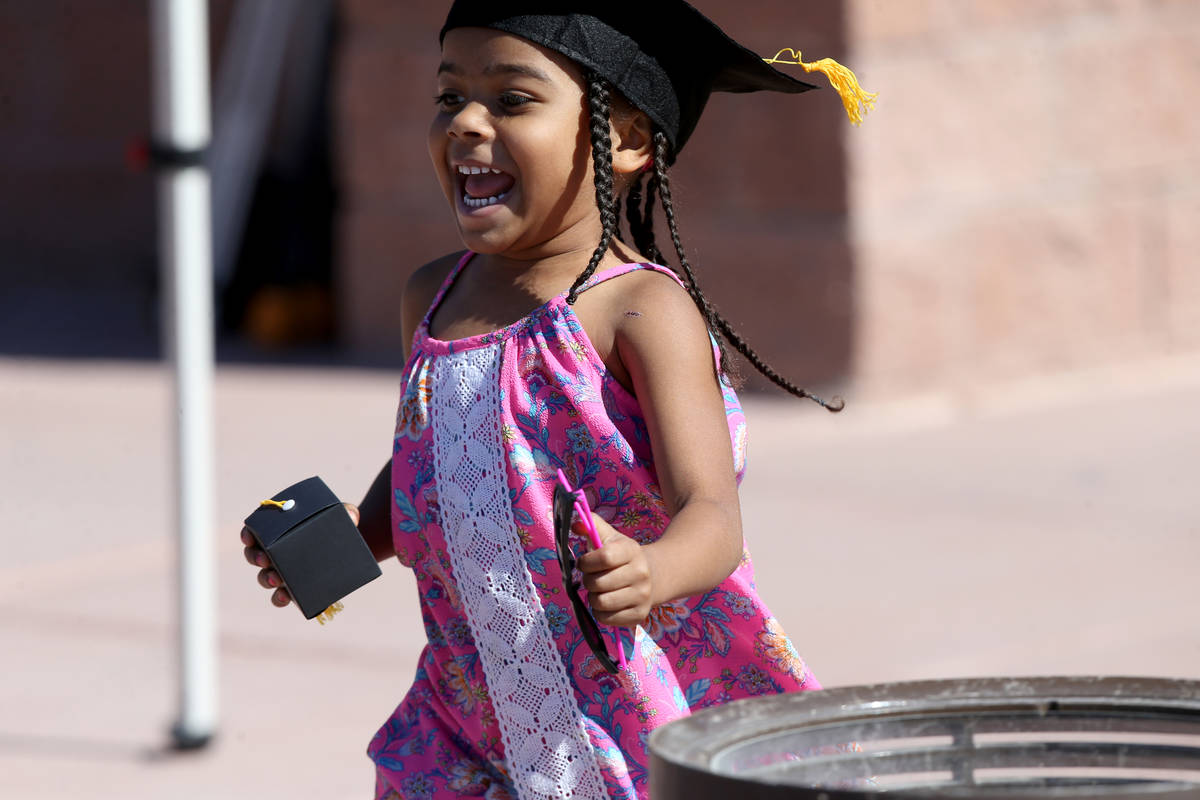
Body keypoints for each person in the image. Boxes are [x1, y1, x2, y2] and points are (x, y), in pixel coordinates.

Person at [240, 2, 874, 798]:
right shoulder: (431, 298)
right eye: (449, 98)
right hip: (466, 705)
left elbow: (712, 517)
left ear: (628, 138)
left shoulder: (639, 311)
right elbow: (435, 453)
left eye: (511, 100)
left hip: (616, 703)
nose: (467, 123)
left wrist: (653, 568)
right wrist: (351, 538)